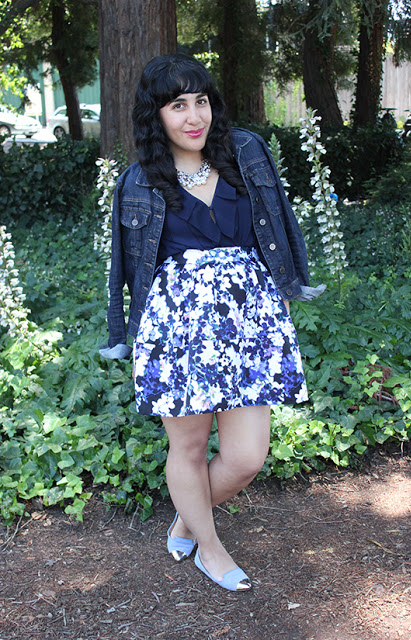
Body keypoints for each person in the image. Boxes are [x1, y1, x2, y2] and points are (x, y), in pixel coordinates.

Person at [100, 53, 324, 592]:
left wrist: (286, 296)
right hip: (178, 331)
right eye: (178, 105)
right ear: (156, 116)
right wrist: (124, 332)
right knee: (192, 448)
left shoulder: (244, 153)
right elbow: (125, 271)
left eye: (200, 100)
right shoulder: (138, 182)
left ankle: (187, 516)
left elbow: (281, 226)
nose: (193, 115)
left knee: (246, 457)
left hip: (250, 323)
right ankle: (210, 547)